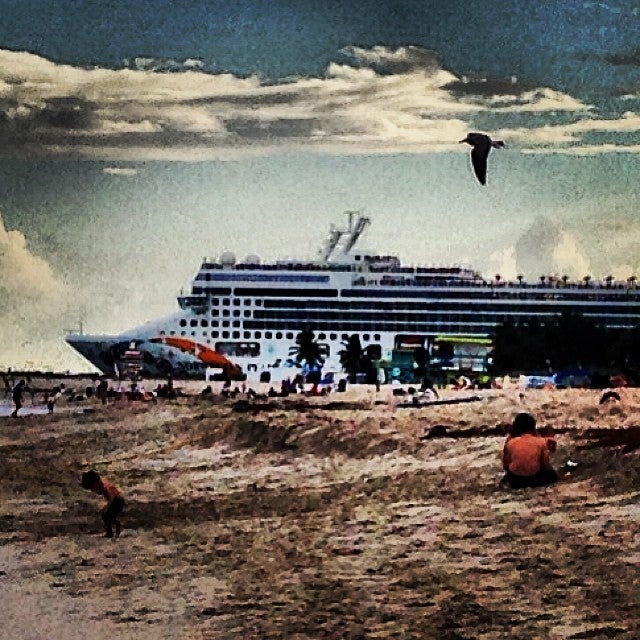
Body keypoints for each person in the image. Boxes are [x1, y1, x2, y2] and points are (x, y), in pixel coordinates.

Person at [501, 412, 558, 489]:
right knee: (552, 475)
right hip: (534, 478)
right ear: (533, 428)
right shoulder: (541, 442)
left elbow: (505, 465)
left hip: (515, 479)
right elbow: (545, 465)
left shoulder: (510, 442)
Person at [80, 470, 125, 538]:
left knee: (107, 516)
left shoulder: (106, 487)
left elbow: (112, 498)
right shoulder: (101, 486)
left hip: (118, 502)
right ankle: (111, 531)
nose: (93, 490)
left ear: (95, 483)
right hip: (115, 501)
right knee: (107, 516)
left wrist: (106, 506)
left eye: (92, 488)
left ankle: (115, 529)